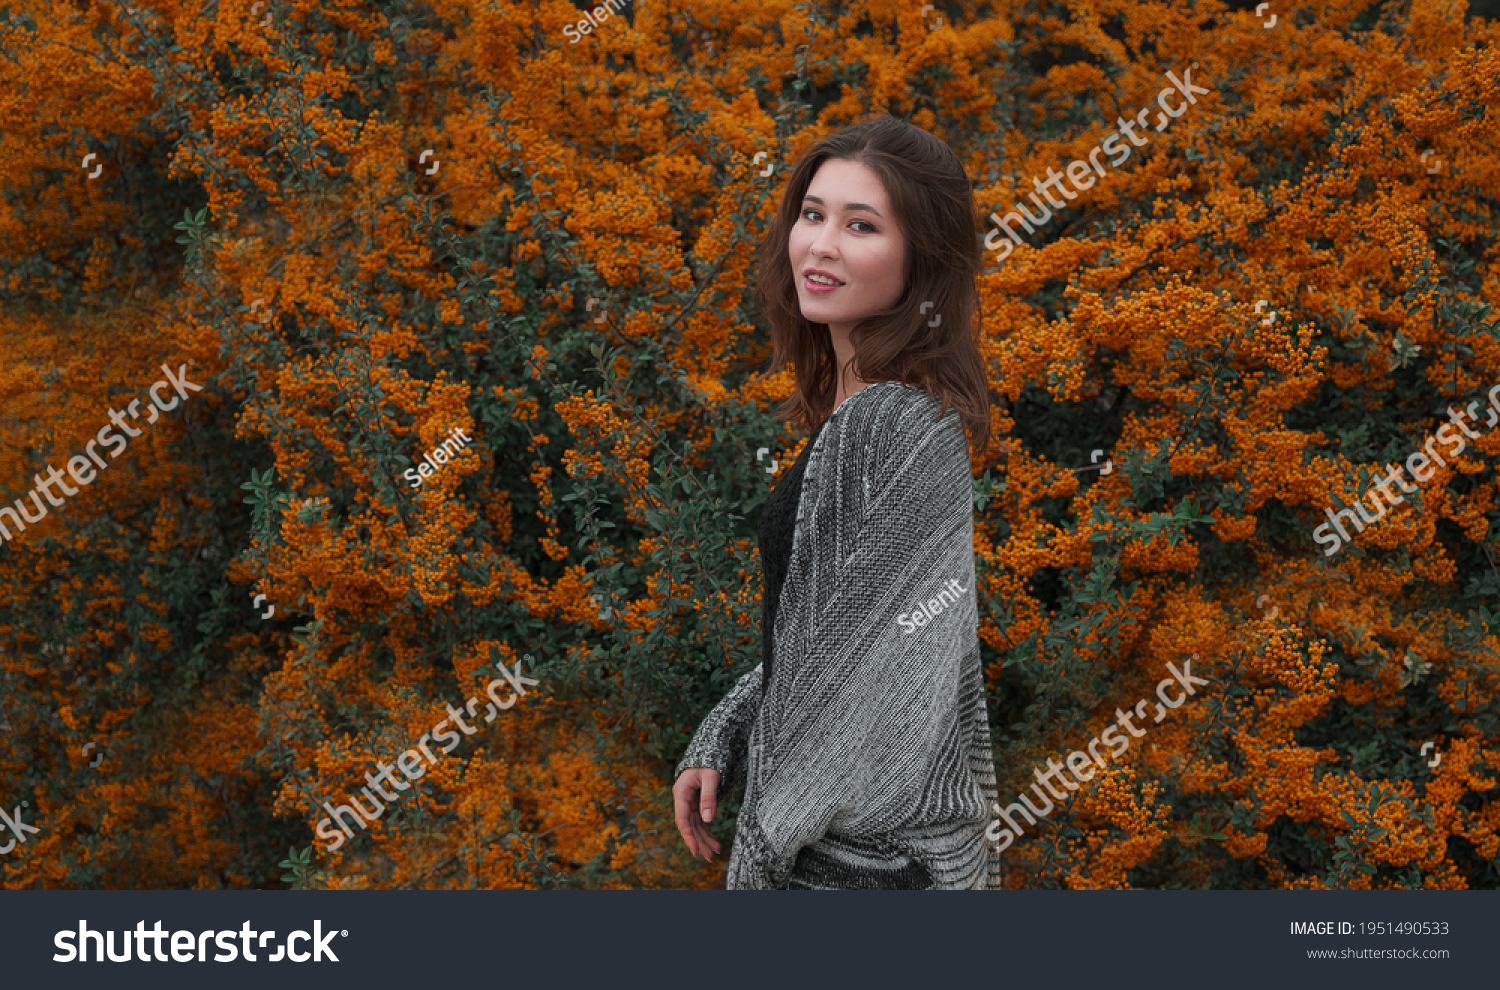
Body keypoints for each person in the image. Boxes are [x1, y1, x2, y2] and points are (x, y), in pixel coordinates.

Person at [671, 114, 1002, 889]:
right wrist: (727, 729)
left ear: (921, 259)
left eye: (861, 225)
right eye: (812, 214)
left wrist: (757, 850)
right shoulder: (874, 411)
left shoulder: (891, 424)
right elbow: (833, 641)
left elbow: (876, 694)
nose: (819, 245)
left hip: (860, 872)